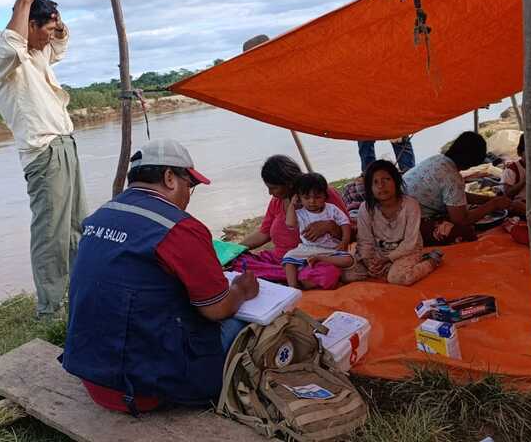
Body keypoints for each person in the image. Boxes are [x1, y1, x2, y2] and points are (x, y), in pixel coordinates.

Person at [62, 139, 259, 414]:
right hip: (145, 391)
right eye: (190, 186)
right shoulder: (178, 227)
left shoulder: (99, 217)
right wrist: (240, 290)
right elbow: (217, 309)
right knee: (243, 323)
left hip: (92, 377)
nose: (189, 195)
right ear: (169, 178)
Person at [0, 0, 86, 319]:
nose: (50, 37)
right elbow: (12, 42)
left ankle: (77, 292)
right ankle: (50, 307)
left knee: (75, 226)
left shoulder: (38, 52)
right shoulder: (2, 57)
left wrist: (52, 13)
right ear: (29, 25)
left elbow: (60, 41)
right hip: (44, 154)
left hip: (64, 145)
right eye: (44, 29)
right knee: (51, 233)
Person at [238, 155, 348, 290]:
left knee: (327, 273)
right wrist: (236, 249)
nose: (269, 193)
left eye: (273, 188)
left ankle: (283, 279)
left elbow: (351, 230)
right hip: (281, 261)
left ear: (288, 183)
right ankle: (285, 277)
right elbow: (264, 233)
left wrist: (329, 226)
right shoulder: (277, 201)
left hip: (313, 260)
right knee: (239, 262)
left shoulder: (323, 194)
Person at [403, 131, 511, 245]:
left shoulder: (438, 159)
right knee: (465, 232)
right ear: (472, 161)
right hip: (408, 224)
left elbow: (458, 196)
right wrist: (493, 205)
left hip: (396, 213)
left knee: (461, 209)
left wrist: (488, 200)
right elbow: (461, 220)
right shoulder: (452, 177)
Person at [347, 161, 443, 285]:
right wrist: (369, 262)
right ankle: (387, 269)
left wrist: (386, 259)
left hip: (407, 250)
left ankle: (431, 261)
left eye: (386, 179)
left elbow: (410, 242)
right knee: (349, 275)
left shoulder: (410, 205)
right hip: (379, 253)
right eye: (375, 182)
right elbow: (365, 240)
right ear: (370, 188)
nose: (381, 186)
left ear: (396, 181)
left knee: (398, 278)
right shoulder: (365, 208)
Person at [282, 173, 353, 289]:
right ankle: (293, 286)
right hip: (307, 249)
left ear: (325, 196)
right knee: (288, 258)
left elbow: (345, 223)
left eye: (317, 197)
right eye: (306, 197)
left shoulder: (331, 209)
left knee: (348, 260)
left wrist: (344, 241)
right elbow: (290, 223)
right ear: (299, 198)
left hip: (331, 249)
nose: (312, 201)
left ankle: (320, 259)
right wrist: (291, 205)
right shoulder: (300, 213)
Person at [500, 134, 528, 215]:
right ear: (520, 153)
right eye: (528, 153)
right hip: (522, 205)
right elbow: (507, 193)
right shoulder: (511, 170)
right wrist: (524, 181)